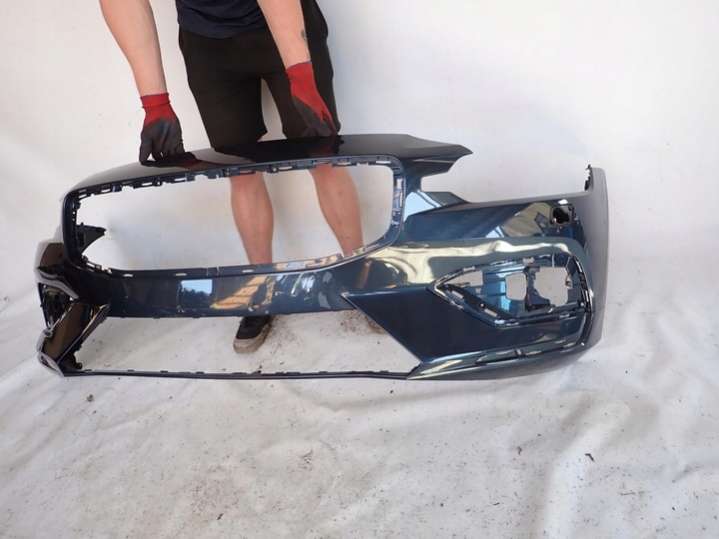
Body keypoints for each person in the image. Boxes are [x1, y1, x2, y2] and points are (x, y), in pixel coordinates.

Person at [99, 0, 363, 352]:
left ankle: (360, 278)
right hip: (208, 43)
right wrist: (155, 104)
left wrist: (300, 74)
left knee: (322, 157)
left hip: (283, 21)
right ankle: (261, 290)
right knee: (240, 171)